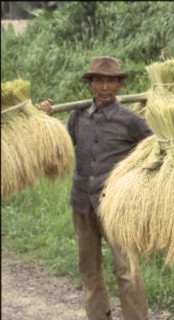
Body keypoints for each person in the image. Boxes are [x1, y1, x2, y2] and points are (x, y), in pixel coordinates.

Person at [37, 56, 152, 320]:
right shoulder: (78, 116)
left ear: (119, 85)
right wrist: (43, 121)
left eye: (111, 81)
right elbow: (60, 149)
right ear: (90, 84)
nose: (105, 87)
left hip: (117, 207)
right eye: (99, 80)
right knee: (88, 269)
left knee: (126, 270)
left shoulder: (130, 121)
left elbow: (154, 151)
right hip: (82, 203)